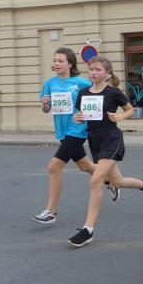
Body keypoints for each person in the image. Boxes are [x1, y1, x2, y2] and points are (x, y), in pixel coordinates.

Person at [69, 56, 143, 247]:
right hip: (94, 139)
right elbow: (79, 115)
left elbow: (129, 110)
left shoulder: (113, 92)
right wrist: (77, 118)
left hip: (112, 138)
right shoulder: (83, 93)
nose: (94, 72)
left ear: (107, 74)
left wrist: (119, 117)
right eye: (91, 69)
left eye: (98, 69)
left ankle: (88, 230)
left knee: (96, 180)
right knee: (118, 181)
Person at [33, 48, 119, 225]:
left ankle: (51, 212)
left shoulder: (81, 82)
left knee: (54, 167)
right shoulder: (50, 83)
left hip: (78, 129)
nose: (56, 63)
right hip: (62, 130)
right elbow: (46, 109)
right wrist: (45, 104)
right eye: (55, 60)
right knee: (84, 166)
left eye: (61, 61)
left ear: (70, 64)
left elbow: (98, 94)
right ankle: (111, 181)